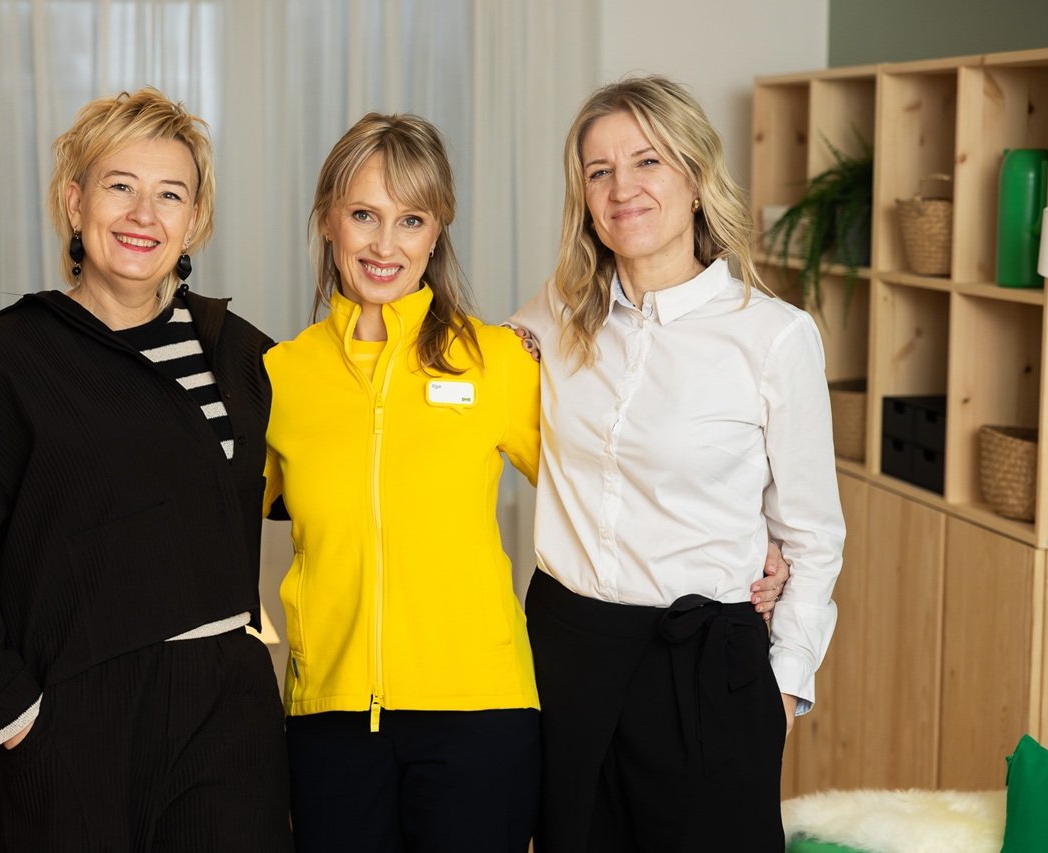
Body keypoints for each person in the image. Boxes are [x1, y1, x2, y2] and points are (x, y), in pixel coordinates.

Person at [261, 112, 790, 852]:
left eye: (410, 219)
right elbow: (203, 514)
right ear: (327, 219)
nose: (385, 245)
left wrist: (745, 540)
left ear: (437, 230)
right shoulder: (280, 376)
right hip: (330, 715)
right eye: (363, 216)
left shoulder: (496, 361)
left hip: (481, 717)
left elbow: (611, 478)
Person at [0, 88, 292, 851]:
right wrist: (10, 716)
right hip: (70, 723)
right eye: (120, 186)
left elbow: (339, 470)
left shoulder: (241, 353)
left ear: (194, 219)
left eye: (169, 194)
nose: (144, 214)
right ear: (75, 203)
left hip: (228, 721)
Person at [511, 76, 846, 852]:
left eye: (647, 161)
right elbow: (461, 390)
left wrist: (782, 690)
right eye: (598, 170)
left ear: (695, 178)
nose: (621, 188)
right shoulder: (558, 311)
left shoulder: (774, 336)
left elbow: (813, 536)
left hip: (704, 673)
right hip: (566, 655)